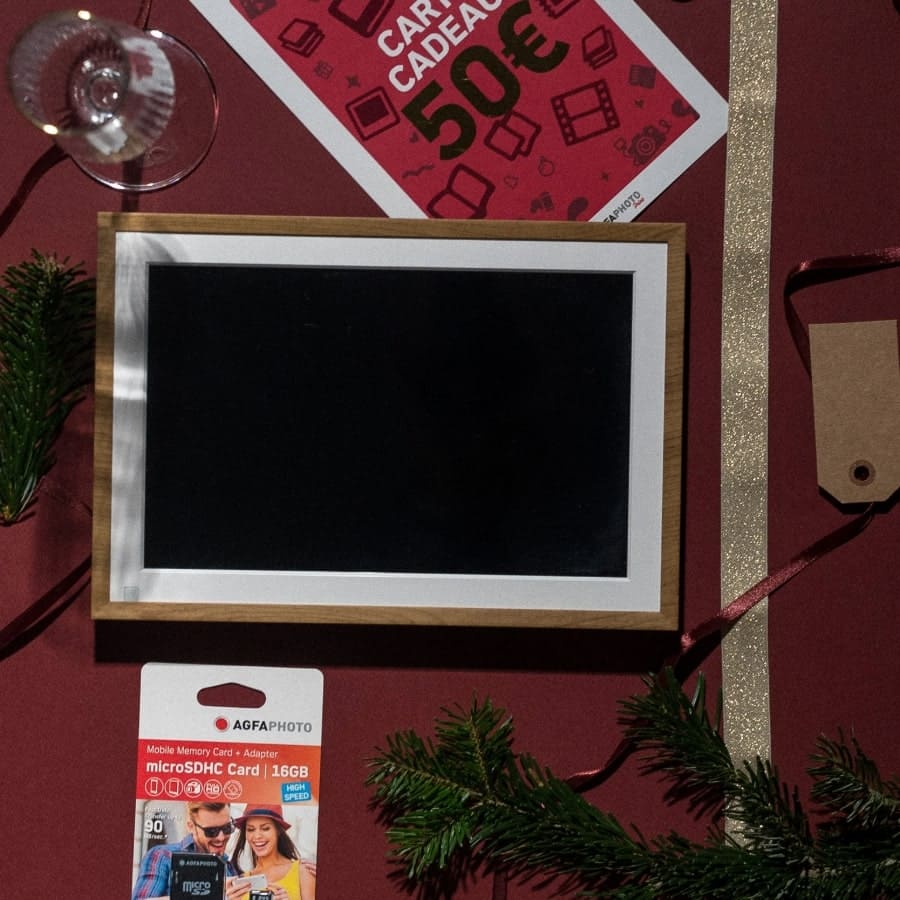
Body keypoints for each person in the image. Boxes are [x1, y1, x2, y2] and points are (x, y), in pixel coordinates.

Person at [132, 801, 240, 899]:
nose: (221, 837)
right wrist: (212, 894)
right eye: (211, 831)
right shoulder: (163, 856)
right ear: (191, 826)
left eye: (227, 828)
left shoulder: (228, 866)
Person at [226, 804, 316, 900]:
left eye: (265, 828)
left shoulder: (302, 872)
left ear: (278, 831)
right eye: (251, 829)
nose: (257, 836)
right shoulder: (242, 883)